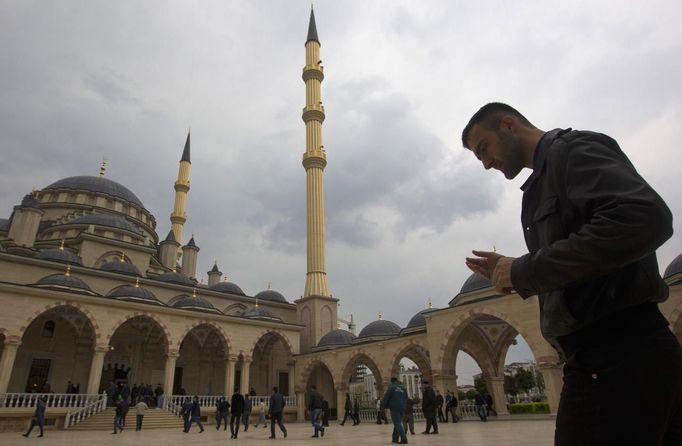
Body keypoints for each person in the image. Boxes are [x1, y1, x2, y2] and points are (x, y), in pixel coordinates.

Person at [461, 102, 682, 446]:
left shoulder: (575, 151)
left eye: (483, 149)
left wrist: (523, 270)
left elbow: (644, 218)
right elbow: (580, 258)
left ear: (509, 125)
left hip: (615, 357)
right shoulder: (539, 186)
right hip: (618, 357)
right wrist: (516, 269)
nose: (485, 163)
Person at [383, 377, 408, 444]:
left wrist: (383, 407)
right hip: (402, 408)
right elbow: (406, 398)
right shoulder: (403, 388)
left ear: (391, 381)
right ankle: (395, 438)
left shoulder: (391, 387)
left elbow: (386, 397)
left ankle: (404, 439)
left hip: (394, 407)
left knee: (397, 423)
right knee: (398, 423)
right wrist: (404, 406)